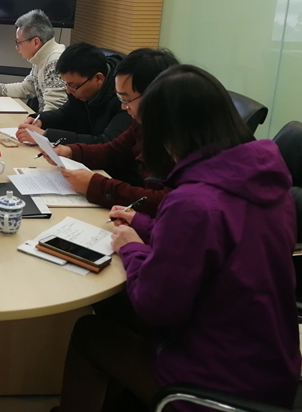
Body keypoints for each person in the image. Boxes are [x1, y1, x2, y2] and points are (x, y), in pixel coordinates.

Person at [53, 65, 300, 412]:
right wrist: (142, 223)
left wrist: (132, 248)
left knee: (91, 332)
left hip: (213, 384)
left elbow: (156, 306)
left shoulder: (194, 202)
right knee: (115, 307)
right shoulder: (267, 183)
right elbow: (219, 244)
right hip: (272, 367)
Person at [51, 48, 179, 216]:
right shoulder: (143, 123)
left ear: (155, 95)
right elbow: (113, 151)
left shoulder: (184, 138)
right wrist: (71, 151)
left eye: (127, 99)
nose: (123, 107)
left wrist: (96, 185)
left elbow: (167, 201)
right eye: (121, 99)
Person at [16, 43, 130, 145]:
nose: (68, 90)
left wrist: (46, 135)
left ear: (98, 78)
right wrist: (40, 120)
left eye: (73, 85)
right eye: (66, 84)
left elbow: (105, 143)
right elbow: (66, 113)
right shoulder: (80, 87)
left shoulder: (125, 98)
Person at [0, 9, 67, 113]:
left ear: (35, 42)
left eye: (18, 42)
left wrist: (34, 122)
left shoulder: (55, 61)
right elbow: (27, 88)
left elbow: (54, 110)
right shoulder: (42, 56)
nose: (16, 47)